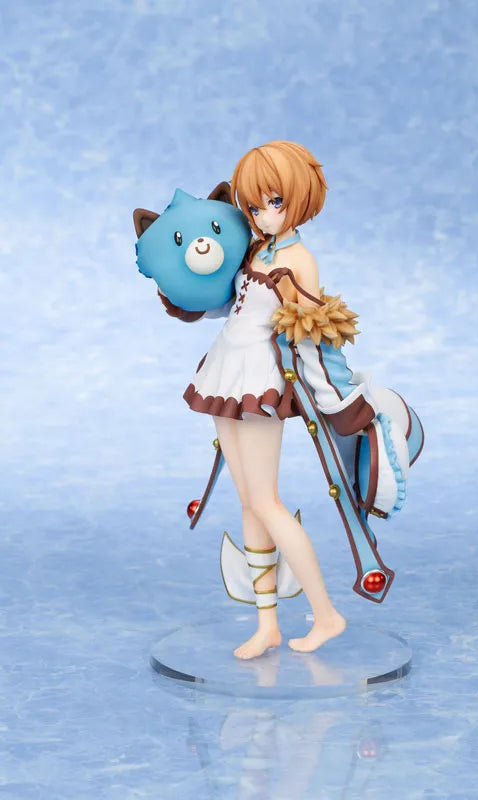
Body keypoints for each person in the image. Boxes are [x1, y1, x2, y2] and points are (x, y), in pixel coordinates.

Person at [180, 141, 348, 659]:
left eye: (274, 202)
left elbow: (312, 337)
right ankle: (266, 623)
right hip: (224, 372)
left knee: (267, 502)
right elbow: (228, 302)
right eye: (254, 206)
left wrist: (328, 393)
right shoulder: (256, 249)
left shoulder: (299, 261)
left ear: (300, 197)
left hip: (259, 382)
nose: (263, 215)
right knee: (249, 502)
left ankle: (326, 614)